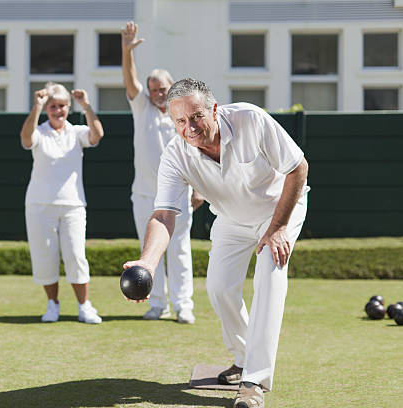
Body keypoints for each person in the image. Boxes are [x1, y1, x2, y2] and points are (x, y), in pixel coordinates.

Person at [123, 78, 309, 408]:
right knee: (219, 288)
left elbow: (297, 168)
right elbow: (164, 215)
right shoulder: (175, 155)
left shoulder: (250, 119)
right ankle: (242, 357)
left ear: (214, 109)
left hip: (279, 209)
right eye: (180, 121)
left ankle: (254, 381)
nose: (189, 127)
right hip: (231, 218)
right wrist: (147, 264)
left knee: (270, 274)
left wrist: (278, 228)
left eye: (196, 116)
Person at [121, 21, 203, 324]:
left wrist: (199, 189)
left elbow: (197, 153)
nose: (157, 93)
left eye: (163, 89)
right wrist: (126, 50)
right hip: (144, 194)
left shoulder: (181, 114)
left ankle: (184, 306)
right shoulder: (141, 107)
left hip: (178, 196)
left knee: (180, 251)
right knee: (148, 252)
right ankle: (157, 304)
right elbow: (130, 79)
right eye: (153, 88)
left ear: (172, 90)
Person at [20, 82, 104, 324]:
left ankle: (84, 306)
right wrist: (36, 106)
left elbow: (97, 134)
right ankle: (52, 305)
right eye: (53, 106)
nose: (58, 110)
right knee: (44, 257)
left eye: (62, 106)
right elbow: (26, 138)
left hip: (73, 205)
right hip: (39, 205)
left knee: (76, 255)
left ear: (69, 107)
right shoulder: (39, 131)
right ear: (47, 108)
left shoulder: (76, 132)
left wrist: (86, 105)